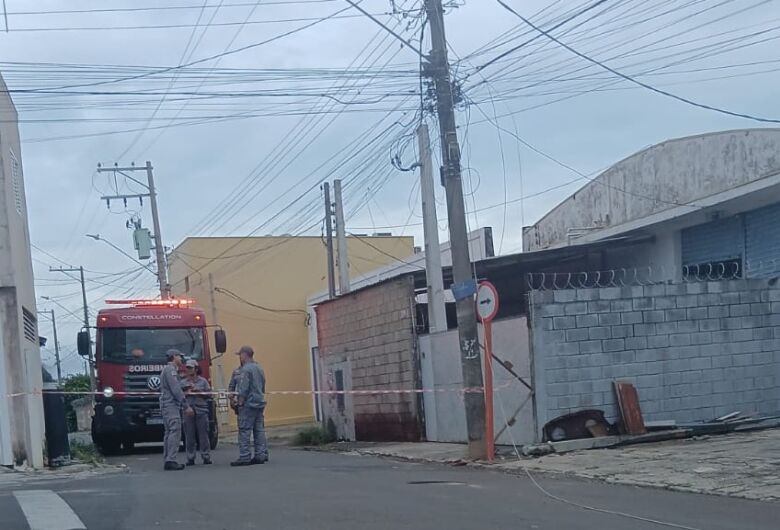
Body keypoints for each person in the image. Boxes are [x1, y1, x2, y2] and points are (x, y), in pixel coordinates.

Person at [231, 345, 268, 467]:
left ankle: (245, 456)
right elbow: (263, 385)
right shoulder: (259, 368)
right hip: (259, 402)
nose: (240, 358)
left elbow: (243, 388)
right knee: (259, 430)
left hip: (248, 404)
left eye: (240, 355)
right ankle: (260, 455)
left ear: (244, 355)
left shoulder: (245, 370)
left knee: (244, 430)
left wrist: (240, 402)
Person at [159, 349, 194, 471]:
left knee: (169, 432)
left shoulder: (168, 370)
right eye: (179, 356)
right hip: (171, 405)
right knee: (175, 430)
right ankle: (171, 460)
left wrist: (185, 386)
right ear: (174, 357)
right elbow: (175, 390)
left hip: (167, 404)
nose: (181, 359)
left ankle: (168, 458)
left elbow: (175, 386)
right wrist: (186, 406)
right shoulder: (171, 370)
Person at [182, 360, 212, 466]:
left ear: (196, 369)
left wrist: (198, 391)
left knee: (203, 435)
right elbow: (179, 396)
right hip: (188, 410)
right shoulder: (183, 382)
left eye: (191, 368)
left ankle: (206, 456)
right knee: (189, 436)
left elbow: (209, 394)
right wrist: (186, 392)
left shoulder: (203, 381)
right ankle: (190, 457)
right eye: (187, 368)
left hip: (201, 410)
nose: (189, 370)